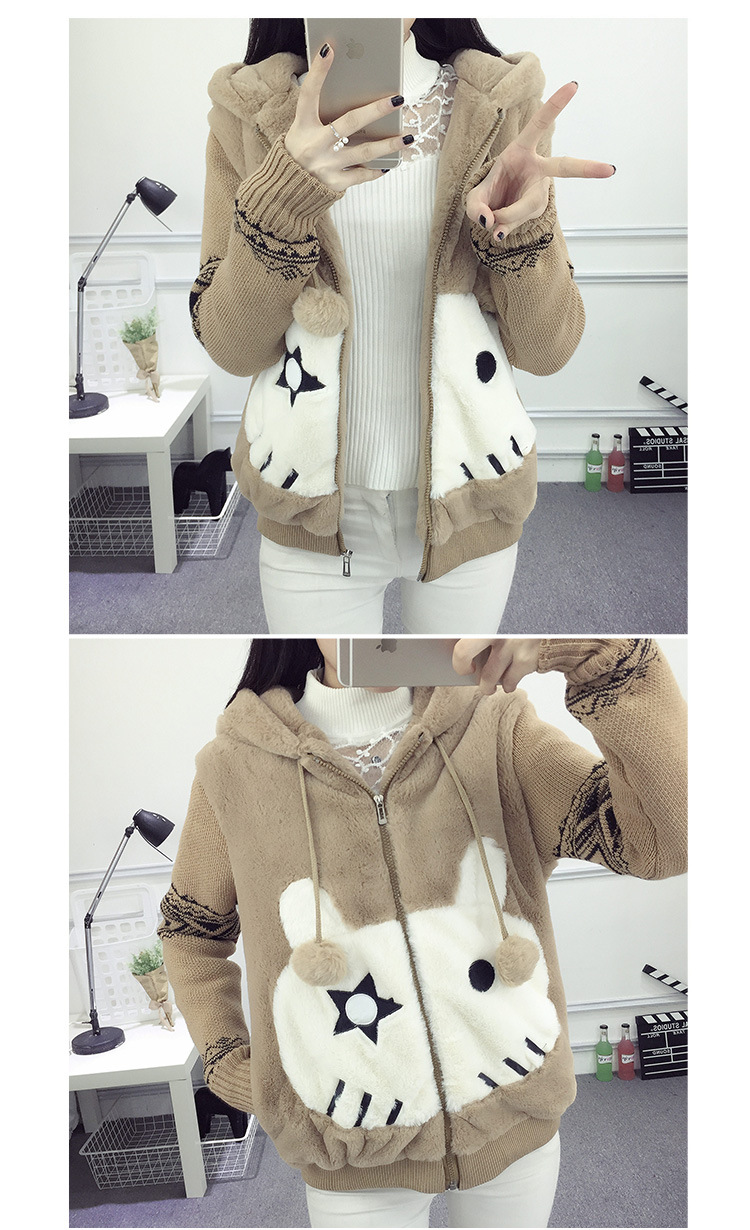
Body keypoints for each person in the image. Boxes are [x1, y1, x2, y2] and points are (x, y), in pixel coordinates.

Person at [158, 636, 686, 1228]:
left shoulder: (495, 727)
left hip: (513, 1113)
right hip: (351, 1146)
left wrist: (597, 655)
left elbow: (664, 842)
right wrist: (230, 1061)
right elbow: (189, 931)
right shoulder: (233, 768)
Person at [189, 19, 616, 633]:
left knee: (446, 691)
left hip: (470, 496)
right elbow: (233, 347)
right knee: (340, 686)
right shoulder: (246, 116)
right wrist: (283, 196)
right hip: (307, 510)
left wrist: (519, 232)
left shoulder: (501, 108)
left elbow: (548, 350)